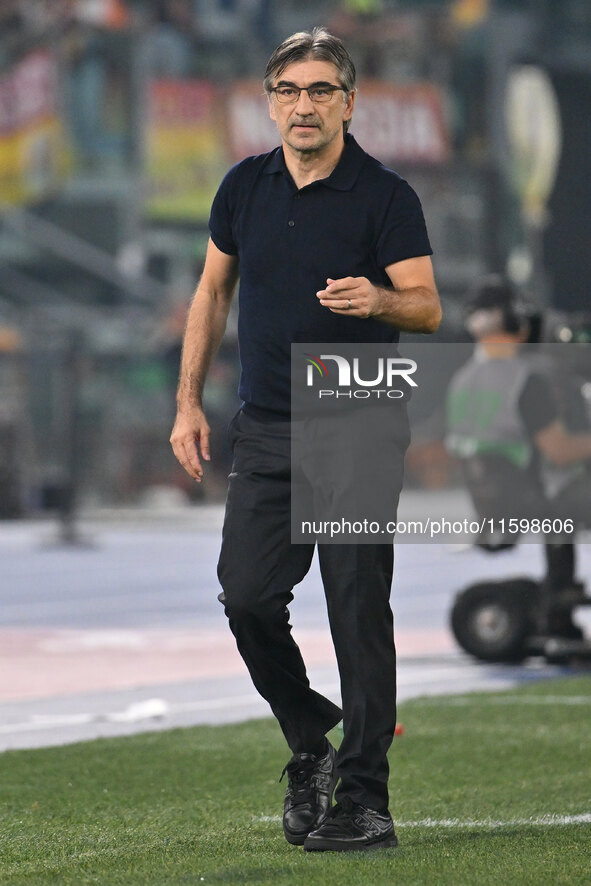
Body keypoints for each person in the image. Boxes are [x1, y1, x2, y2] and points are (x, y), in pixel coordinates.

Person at [170, 27, 440, 852]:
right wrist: (187, 403)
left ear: (349, 104)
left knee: (357, 610)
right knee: (246, 597)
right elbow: (212, 293)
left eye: (321, 90)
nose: (303, 106)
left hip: (357, 409)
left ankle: (364, 801)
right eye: (288, 92)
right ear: (270, 103)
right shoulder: (243, 187)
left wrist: (379, 302)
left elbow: (426, 306)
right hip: (265, 422)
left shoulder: (384, 194)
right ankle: (309, 746)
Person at [446, 275, 591, 636]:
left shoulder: (463, 378)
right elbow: (559, 451)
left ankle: (558, 603)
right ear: (511, 319)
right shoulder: (525, 378)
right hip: (530, 494)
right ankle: (558, 603)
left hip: (492, 496)